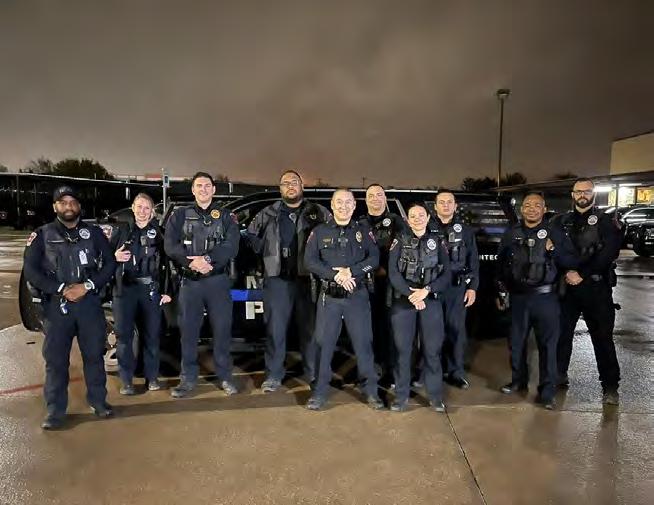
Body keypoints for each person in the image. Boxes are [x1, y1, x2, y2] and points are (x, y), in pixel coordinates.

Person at [23, 186, 116, 430]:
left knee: (94, 357)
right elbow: (31, 271)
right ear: (55, 206)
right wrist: (61, 288)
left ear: (79, 206)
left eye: (72, 202)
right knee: (56, 362)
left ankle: (98, 401)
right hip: (57, 307)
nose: (68, 206)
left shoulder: (93, 233)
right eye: (62, 202)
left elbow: (109, 264)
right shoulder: (42, 235)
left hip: (89, 305)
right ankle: (55, 411)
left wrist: (88, 286)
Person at [246, 170, 331, 392]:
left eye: (294, 182)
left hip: (309, 280)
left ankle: (313, 374)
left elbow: (333, 235)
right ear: (280, 188)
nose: (290, 186)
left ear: (302, 186)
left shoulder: (318, 212)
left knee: (311, 331)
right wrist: (263, 249)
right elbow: (250, 234)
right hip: (277, 280)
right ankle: (274, 375)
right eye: (285, 183)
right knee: (275, 330)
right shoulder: (269, 212)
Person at [496, 192, 579, 410]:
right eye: (527, 205)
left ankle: (547, 391)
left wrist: (555, 249)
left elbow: (571, 260)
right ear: (522, 209)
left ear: (544, 209)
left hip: (546, 298)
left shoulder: (555, 233)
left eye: (536, 205)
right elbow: (501, 264)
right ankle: (518, 381)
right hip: (519, 297)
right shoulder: (512, 232)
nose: (531, 209)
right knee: (516, 343)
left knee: (548, 345)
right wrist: (501, 291)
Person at [304, 189, 384, 411]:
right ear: (332, 205)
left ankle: (371, 392)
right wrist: (335, 275)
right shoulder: (319, 232)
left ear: (354, 206)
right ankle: (319, 392)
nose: (343, 206)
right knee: (323, 345)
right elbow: (309, 261)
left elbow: (374, 258)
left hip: (356, 296)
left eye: (348, 202)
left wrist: (352, 272)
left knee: (363, 344)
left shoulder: (363, 231)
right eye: (339, 202)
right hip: (329, 297)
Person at [164, 172, 240, 398]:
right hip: (190, 282)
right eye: (199, 186)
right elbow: (170, 244)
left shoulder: (226, 216)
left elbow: (232, 245)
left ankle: (225, 377)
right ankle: (187, 379)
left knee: (222, 331)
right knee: (188, 333)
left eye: (207, 185)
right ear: (193, 190)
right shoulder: (179, 215)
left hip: (218, 282)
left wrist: (207, 259)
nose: (203, 189)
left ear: (214, 190)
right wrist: (190, 262)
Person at [552, 178, 622, 404]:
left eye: (587, 191)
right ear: (572, 195)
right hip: (567, 287)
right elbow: (553, 250)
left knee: (602, 339)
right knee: (561, 335)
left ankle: (610, 386)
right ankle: (558, 375)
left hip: (596, 287)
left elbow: (608, 253)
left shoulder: (606, 221)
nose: (583, 195)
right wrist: (568, 272)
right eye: (578, 191)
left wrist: (581, 273)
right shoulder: (560, 221)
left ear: (593, 194)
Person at [388, 202, 450, 412]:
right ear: (407, 220)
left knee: (432, 351)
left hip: (430, 301)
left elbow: (446, 274)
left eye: (421, 215)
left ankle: (435, 397)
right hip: (404, 302)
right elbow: (393, 273)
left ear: (428, 217)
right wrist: (411, 294)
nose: (417, 219)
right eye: (412, 216)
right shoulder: (399, 240)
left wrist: (427, 290)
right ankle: (401, 397)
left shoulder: (437, 241)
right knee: (403, 351)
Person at [110, 192, 172, 395]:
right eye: (139, 207)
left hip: (150, 290)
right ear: (133, 208)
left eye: (147, 208)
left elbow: (168, 263)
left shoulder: (160, 233)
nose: (142, 211)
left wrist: (167, 291)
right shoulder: (121, 231)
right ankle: (126, 381)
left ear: (152, 211)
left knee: (152, 336)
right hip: (124, 291)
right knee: (124, 337)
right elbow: (103, 258)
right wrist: (114, 256)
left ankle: (152, 378)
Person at [357, 184, 406, 384]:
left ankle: (391, 373)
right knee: (367, 329)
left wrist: (387, 269)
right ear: (366, 199)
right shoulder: (359, 223)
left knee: (390, 329)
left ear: (385, 199)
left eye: (379, 195)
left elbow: (405, 249)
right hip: (364, 284)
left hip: (389, 285)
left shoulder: (396, 222)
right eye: (371, 195)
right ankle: (370, 370)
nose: (375, 198)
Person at [431, 189, 479, 389]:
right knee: (431, 332)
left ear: (455, 206)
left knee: (456, 331)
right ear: (435, 206)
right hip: (432, 287)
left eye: (449, 202)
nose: (446, 205)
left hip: (456, 287)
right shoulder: (427, 227)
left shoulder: (465, 231)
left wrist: (472, 287)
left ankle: (456, 372)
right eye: (441, 202)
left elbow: (473, 261)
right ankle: (429, 371)